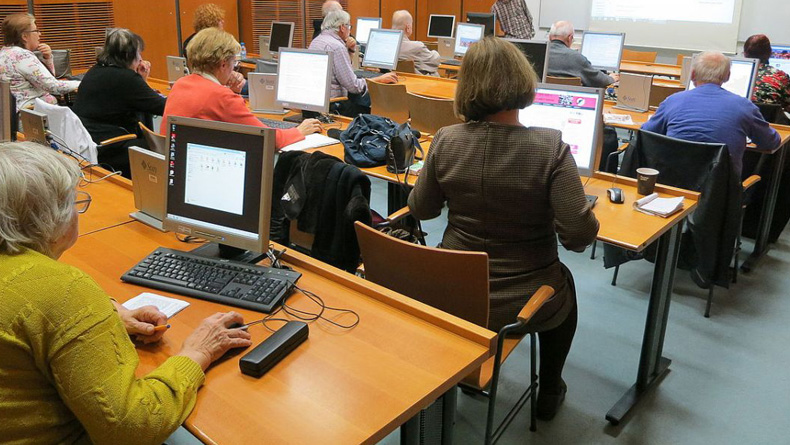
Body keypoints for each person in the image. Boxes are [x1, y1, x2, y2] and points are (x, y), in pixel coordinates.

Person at [0, 141, 254, 444]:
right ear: (50, 218)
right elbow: (131, 428)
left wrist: (109, 311)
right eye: (73, 202)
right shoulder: (63, 289)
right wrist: (197, 352)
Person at [407, 37, 599, 420]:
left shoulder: (446, 140)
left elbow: (422, 210)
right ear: (522, 82)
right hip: (522, 302)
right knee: (565, 283)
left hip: (453, 290)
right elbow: (579, 237)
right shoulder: (550, 147)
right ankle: (550, 389)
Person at [161, 28, 321, 149]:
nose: (235, 68)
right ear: (223, 64)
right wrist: (299, 130)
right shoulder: (221, 97)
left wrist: (225, 88)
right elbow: (268, 139)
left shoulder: (180, 84)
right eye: (234, 63)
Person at [642, 51, 781, 175]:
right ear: (727, 76)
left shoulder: (672, 101)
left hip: (673, 186)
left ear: (692, 74)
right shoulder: (745, 107)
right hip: (721, 191)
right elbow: (771, 142)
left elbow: (646, 134)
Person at [73, 29, 165, 177]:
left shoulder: (95, 70)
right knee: (165, 150)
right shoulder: (126, 78)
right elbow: (162, 107)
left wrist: (141, 80)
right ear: (129, 55)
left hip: (88, 141)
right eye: (139, 54)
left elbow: (134, 98)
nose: (141, 59)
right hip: (111, 147)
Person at [309, 10, 397, 117]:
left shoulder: (317, 41)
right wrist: (379, 79)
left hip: (317, 104)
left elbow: (341, 73)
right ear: (342, 27)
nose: (350, 31)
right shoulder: (337, 47)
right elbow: (354, 86)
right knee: (378, 114)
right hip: (334, 106)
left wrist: (350, 51)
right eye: (349, 27)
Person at [0, 13, 79, 109]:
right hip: (35, 113)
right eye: (36, 31)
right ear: (24, 36)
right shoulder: (22, 56)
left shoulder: (5, 52)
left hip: (17, 112)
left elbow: (46, 79)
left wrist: (47, 58)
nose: (39, 34)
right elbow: (52, 86)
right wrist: (82, 83)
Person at [546, 21, 618, 88]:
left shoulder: (542, 53)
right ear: (570, 38)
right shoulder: (576, 57)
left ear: (549, 37)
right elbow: (599, 81)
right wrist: (611, 78)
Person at [744, 34, 790, 113]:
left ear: (745, 53)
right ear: (770, 53)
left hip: (739, 118)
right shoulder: (780, 76)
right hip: (767, 119)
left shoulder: (736, 72)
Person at [391, 10, 440, 76]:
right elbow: (435, 61)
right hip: (415, 81)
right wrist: (435, 52)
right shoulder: (417, 47)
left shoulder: (385, 45)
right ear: (408, 27)